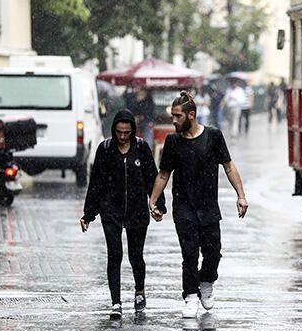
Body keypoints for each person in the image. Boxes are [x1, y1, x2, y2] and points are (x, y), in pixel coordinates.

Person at [149, 92, 248, 318]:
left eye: (177, 116)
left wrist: (241, 195)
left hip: (209, 206)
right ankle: (191, 296)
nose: (173, 121)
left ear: (191, 115)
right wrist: (152, 200)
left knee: (213, 252)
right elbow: (164, 174)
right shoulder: (173, 142)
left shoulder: (213, 136)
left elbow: (229, 167)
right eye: (172, 116)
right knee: (189, 253)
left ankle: (207, 281)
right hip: (183, 207)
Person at [80, 109, 165, 319]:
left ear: (132, 131)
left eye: (127, 132)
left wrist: (158, 205)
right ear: (114, 130)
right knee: (114, 255)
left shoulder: (142, 148)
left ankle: (139, 292)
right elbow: (96, 184)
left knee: (136, 256)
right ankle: (116, 302)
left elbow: (152, 178)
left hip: (137, 211)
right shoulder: (106, 149)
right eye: (119, 132)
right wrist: (88, 214)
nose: (123, 136)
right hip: (111, 211)